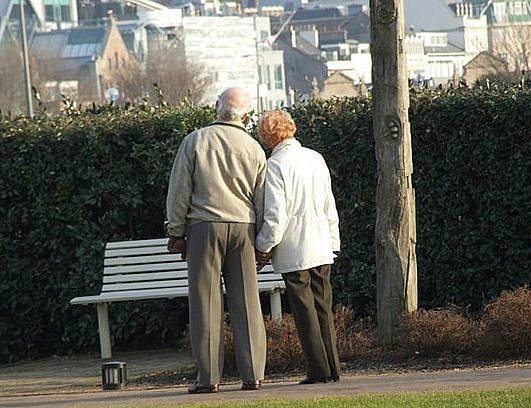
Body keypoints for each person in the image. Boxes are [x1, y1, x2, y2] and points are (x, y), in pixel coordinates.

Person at [165, 87, 267, 394]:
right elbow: (262, 200)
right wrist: (263, 241)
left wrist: (175, 232)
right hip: (244, 227)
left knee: (205, 302)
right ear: (246, 115)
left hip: (204, 226)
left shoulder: (195, 141)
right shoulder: (254, 148)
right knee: (247, 301)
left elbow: (179, 191)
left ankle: (209, 378)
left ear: (216, 107)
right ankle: (253, 374)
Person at [254, 109, 341, 384]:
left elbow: (276, 215)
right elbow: (328, 204)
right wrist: (333, 241)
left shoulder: (275, 165)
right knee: (323, 307)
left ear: (267, 136)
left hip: (294, 249)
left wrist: (263, 246)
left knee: (305, 312)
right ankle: (333, 368)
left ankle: (318, 370)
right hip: (321, 244)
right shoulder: (315, 158)